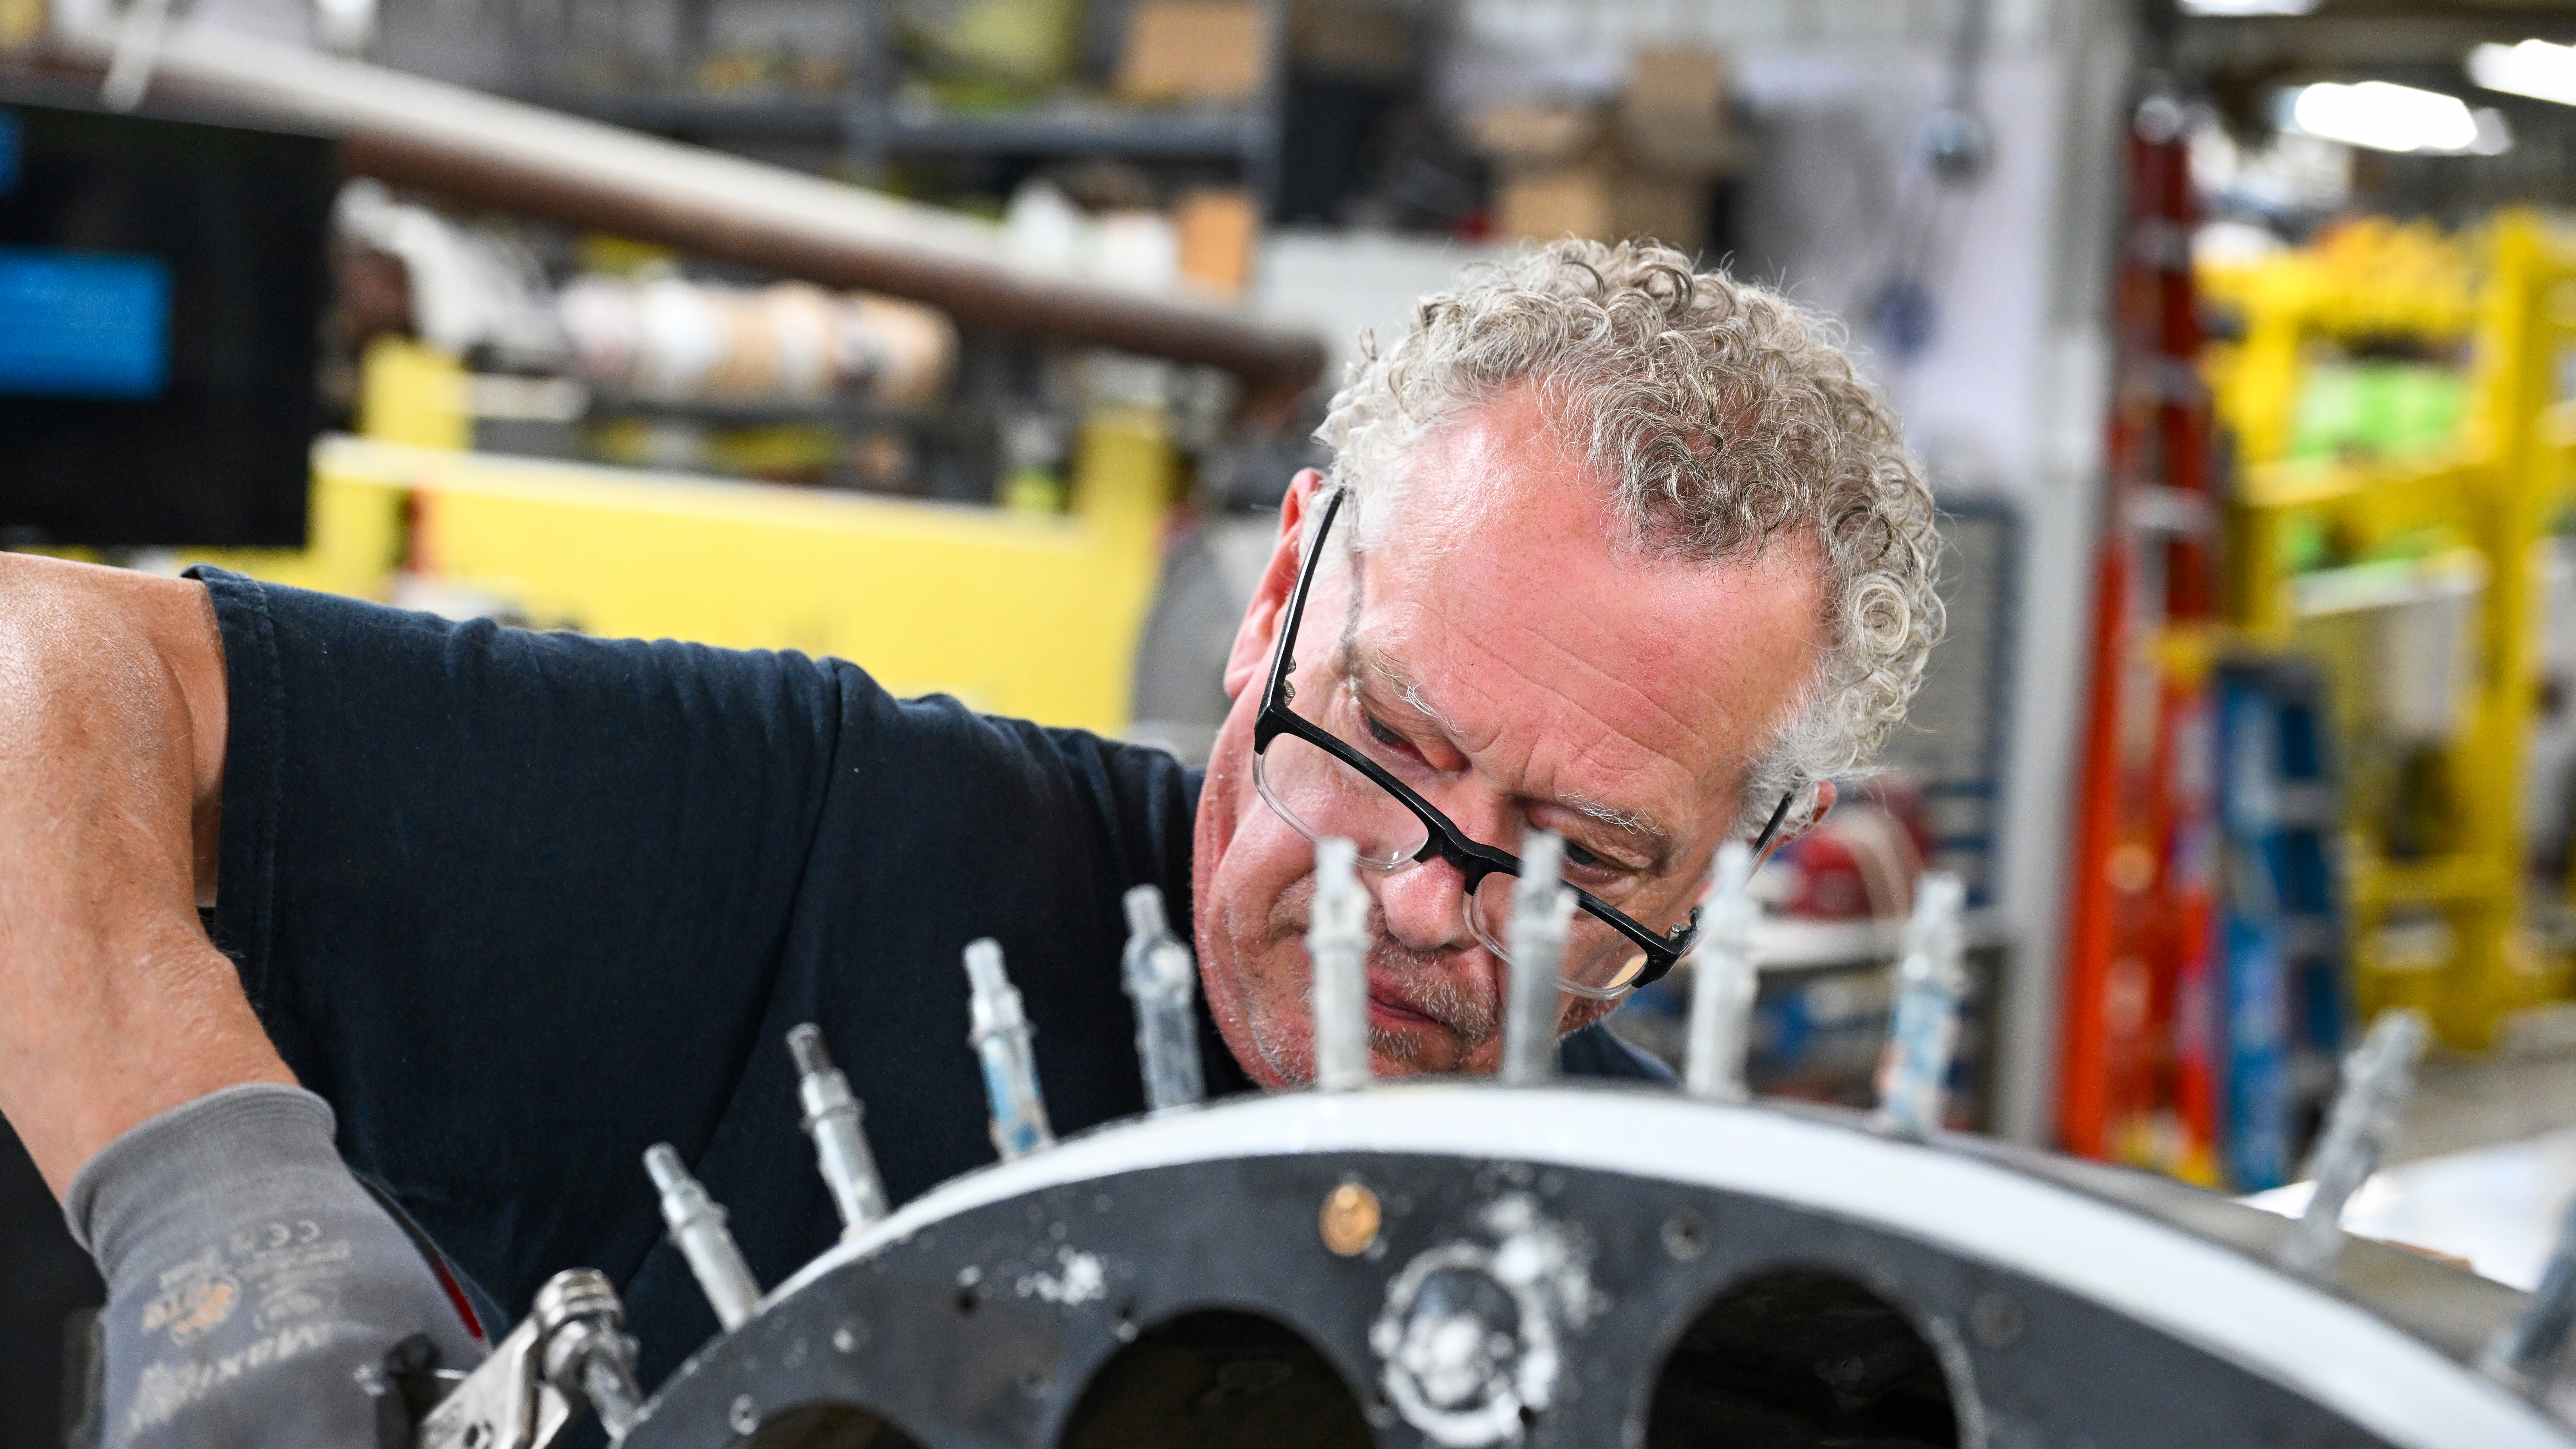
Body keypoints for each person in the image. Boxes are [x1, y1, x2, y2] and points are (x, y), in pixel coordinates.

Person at [0, 240, 1940, 1443]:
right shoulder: (842, 849)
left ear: (1735, 856)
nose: (1420, 899)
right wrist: (211, 1203)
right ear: (1280, 593)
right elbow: (42, 655)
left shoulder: (1701, 1313)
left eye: (1585, 852)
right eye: (1392, 738)